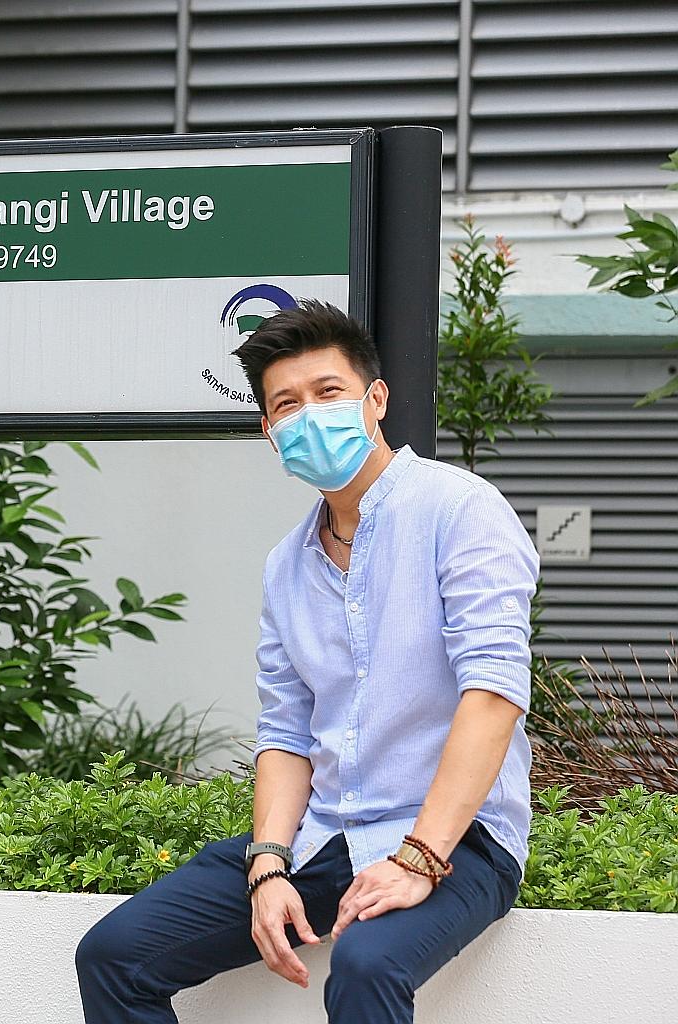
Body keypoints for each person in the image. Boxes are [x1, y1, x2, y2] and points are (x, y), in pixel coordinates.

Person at [75, 299, 536, 1023]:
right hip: (329, 832)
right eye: (286, 404)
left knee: (365, 965)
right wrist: (266, 865)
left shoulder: (461, 512)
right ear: (269, 432)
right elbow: (287, 733)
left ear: (374, 401)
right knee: (116, 955)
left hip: (461, 839)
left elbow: (494, 696)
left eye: (328, 393)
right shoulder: (285, 567)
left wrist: (419, 858)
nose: (308, 414)